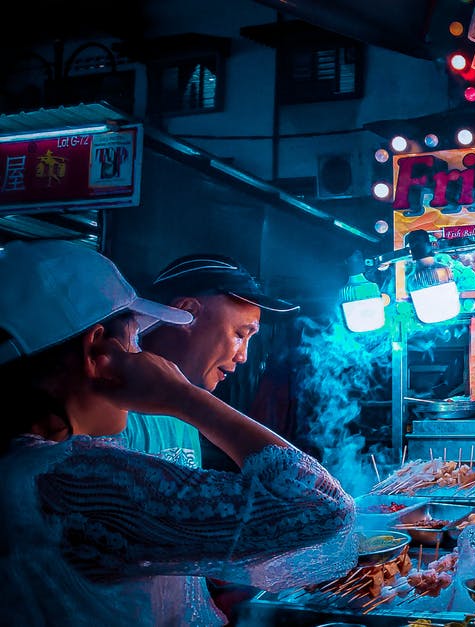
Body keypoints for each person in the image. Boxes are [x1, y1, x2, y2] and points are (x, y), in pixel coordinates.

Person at [0, 240, 355, 626]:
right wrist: (181, 396)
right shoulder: (72, 480)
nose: (143, 355)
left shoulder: (29, 464)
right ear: (95, 353)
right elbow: (321, 506)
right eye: (134, 340)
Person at [121, 254, 299, 470]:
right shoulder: (114, 406)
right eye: (240, 335)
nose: (242, 357)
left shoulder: (185, 412)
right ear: (186, 311)